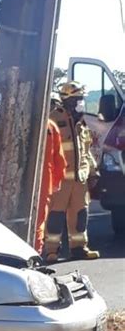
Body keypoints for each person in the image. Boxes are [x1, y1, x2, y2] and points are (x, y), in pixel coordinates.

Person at [44, 81, 100, 262]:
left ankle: (79, 248)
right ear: (67, 100)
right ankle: (51, 250)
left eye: (82, 99)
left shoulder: (81, 123)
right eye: (78, 99)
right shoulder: (53, 120)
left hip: (79, 180)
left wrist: (93, 171)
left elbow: (85, 151)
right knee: (55, 216)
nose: (81, 102)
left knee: (80, 215)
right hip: (60, 181)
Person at [35, 96, 67, 254]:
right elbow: (59, 160)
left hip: (42, 182)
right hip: (44, 182)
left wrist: (56, 181)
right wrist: (56, 181)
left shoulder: (49, 126)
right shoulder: (49, 126)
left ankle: (34, 253)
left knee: (37, 221)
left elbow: (59, 159)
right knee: (38, 221)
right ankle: (34, 253)